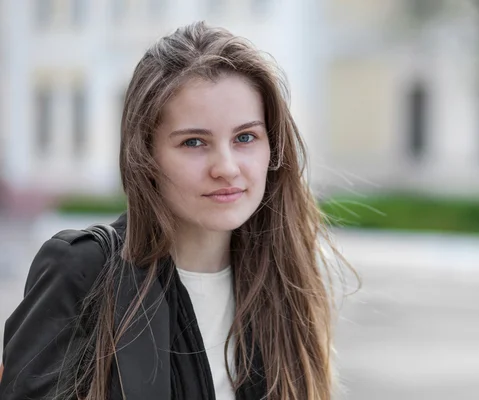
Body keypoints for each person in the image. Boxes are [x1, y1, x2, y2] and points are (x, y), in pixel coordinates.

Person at [0, 21, 357, 400]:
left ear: (273, 148)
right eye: (193, 142)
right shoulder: (83, 271)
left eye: (245, 137)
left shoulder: (286, 280)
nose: (226, 167)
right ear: (146, 155)